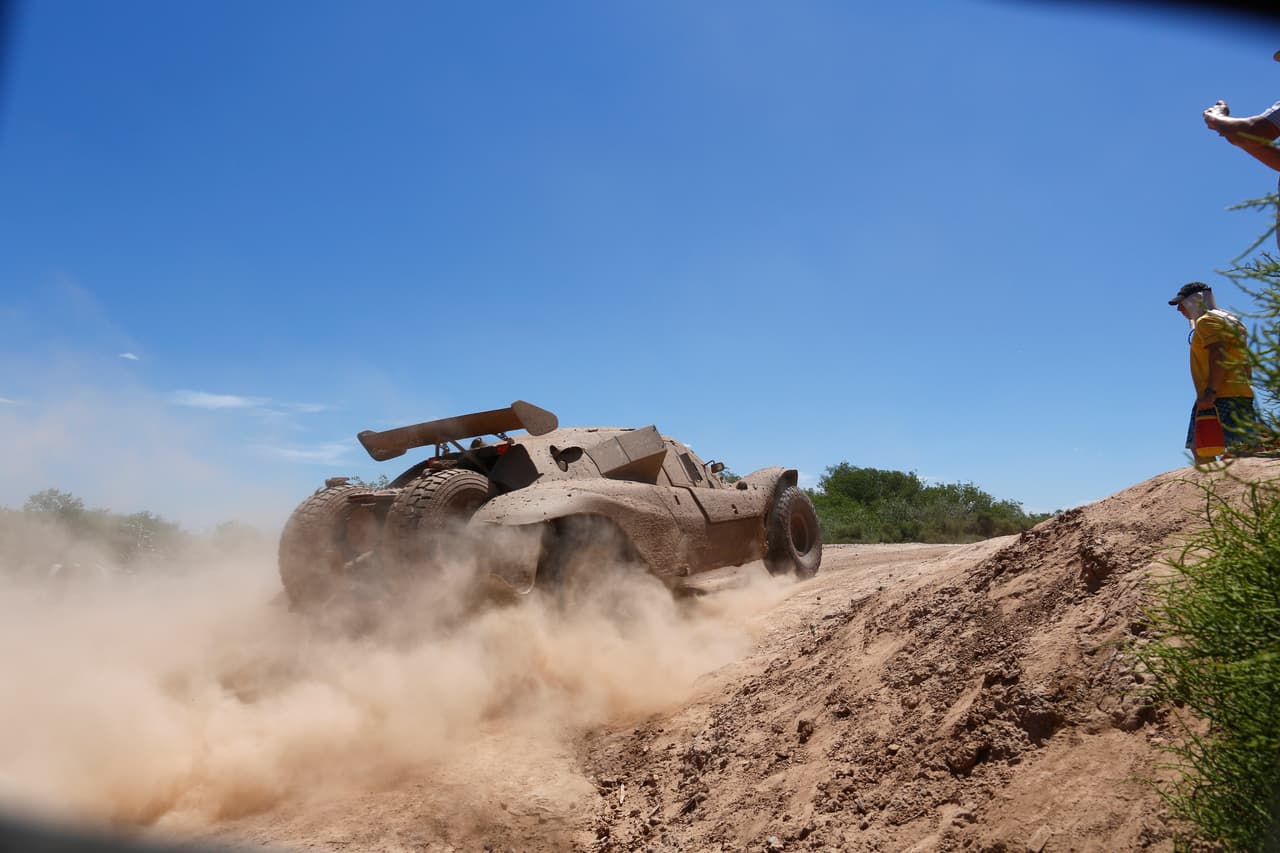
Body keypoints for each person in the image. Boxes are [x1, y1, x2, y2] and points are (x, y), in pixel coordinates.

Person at [1169, 282, 1260, 463]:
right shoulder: (1231, 320)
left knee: (1204, 447)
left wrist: (1210, 391)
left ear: (1195, 301)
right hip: (1240, 392)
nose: (1179, 309)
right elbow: (1244, 358)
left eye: (1182, 303)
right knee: (1243, 445)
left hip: (1218, 394)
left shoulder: (1206, 321)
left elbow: (1219, 352)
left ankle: (1219, 489)